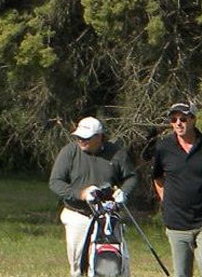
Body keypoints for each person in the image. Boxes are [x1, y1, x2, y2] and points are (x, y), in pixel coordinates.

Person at [152, 102, 202, 277]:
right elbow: (158, 178)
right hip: (176, 223)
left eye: (183, 118)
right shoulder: (164, 147)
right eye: (173, 120)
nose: (178, 123)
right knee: (182, 273)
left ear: (193, 119)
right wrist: (166, 202)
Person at [49, 116, 138, 277]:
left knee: (115, 264)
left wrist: (123, 192)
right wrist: (81, 194)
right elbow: (55, 182)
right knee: (78, 268)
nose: (81, 140)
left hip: (108, 216)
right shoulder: (69, 152)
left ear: (99, 136)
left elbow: (130, 177)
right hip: (78, 215)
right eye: (78, 137)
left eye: (86, 138)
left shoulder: (116, 153)